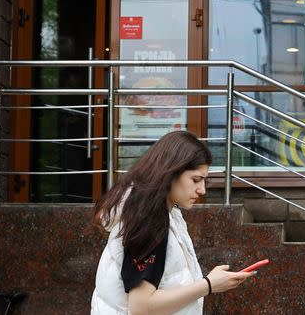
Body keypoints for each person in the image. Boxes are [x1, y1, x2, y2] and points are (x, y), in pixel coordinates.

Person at [91, 130, 253, 315]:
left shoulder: (159, 213)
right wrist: (208, 285)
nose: (202, 190)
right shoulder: (149, 220)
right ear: (170, 173)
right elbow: (141, 307)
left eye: (204, 181)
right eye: (196, 179)